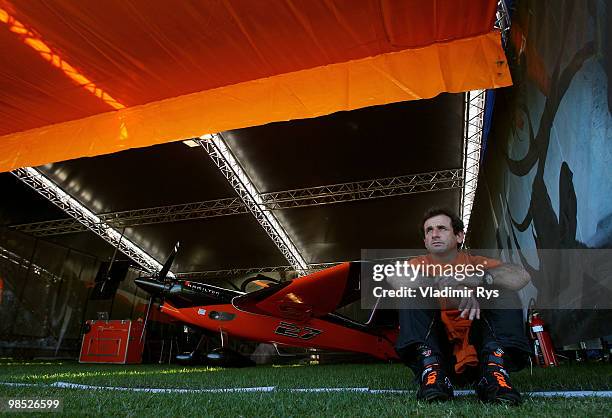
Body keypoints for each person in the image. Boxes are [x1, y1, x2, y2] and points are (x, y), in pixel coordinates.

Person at [395, 208, 532, 404]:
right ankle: (432, 372)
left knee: (502, 287)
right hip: (441, 356)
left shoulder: (476, 262)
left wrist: (477, 279)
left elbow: (521, 276)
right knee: (410, 290)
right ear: (425, 241)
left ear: (459, 236)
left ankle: (495, 372)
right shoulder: (418, 264)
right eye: (429, 231)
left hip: (481, 351)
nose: (434, 234)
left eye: (442, 228)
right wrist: (449, 288)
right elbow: (397, 280)